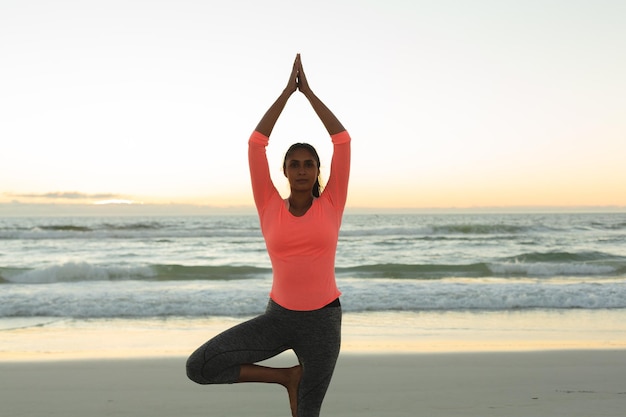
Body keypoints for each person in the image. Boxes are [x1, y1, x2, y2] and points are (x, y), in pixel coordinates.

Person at [185, 53, 351, 417]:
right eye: (295, 164)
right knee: (199, 366)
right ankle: (286, 378)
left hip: (323, 323)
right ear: (285, 171)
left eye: (310, 164)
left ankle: (297, 384)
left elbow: (342, 140)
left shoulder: (332, 203)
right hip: (277, 318)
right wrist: (285, 94)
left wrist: (308, 93)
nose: (303, 170)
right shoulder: (268, 204)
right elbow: (255, 143)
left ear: (318, 170)